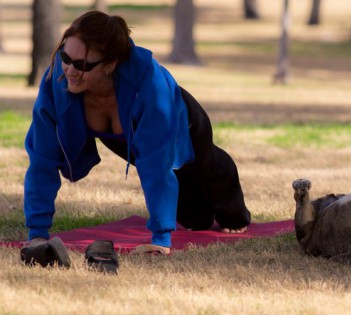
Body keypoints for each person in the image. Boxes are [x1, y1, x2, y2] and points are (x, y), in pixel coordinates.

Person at [22, 11, 251, 257]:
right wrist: (37, 233)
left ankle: (233, 200)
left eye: (82, 65)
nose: (70, 70)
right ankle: (196, 213)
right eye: (65, 57)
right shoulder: (57, 80)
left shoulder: (148, 86)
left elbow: (155, 166)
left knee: (208, 175)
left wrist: (161, 239)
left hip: (182, 121)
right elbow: (42, 160)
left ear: (110, 65)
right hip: (125, 137)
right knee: (194, 219)